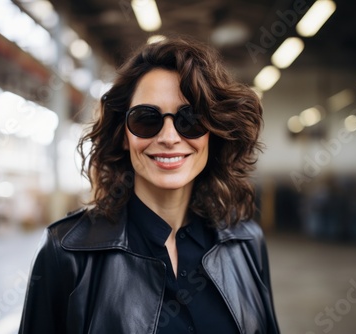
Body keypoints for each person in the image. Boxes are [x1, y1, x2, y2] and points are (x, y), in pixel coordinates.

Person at [19, 37, 280, 334]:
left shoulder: (247, 241)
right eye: (146, 119)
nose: (169, 137)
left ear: (212, 132)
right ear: (123, 135)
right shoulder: (66, 251)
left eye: (190, 119)